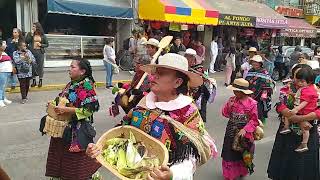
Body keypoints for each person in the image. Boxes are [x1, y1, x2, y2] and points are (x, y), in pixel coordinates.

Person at [87, 53, 217, 180]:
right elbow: (123, 133)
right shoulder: (144, 102)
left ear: (177, 82)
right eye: (154, 73)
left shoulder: (187, 111)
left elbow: (191, 156)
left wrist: (172, 175)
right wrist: (100, 150)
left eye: (160, 73)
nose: (152, 77)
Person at [44, 58, 100, 180]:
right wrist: (53, 103)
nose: (69, 69)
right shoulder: (71, 84)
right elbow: (62, 99)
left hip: (77, 132)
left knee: (77, 163)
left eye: (73, 67)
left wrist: (67, 110)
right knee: (61, 157)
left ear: (82, 71)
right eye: (70, 66)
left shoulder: (86, 86)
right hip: (63, 129)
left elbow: (89, 110)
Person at [267, 64, 320, 180]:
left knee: (304, 164)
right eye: (295, 76)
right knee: (286, 161)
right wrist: (290, 115)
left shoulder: (315, 90)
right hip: (288, 133)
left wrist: (301, 119)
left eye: (299, 78)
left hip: (308, 132)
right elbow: (279, 106)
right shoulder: (288, 88)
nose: (296, 80)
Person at [222, 78, 259, 180]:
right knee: (229, 153)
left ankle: (242, 171)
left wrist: (245, 129)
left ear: (242, 92)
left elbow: (254, 120)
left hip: (244, 133)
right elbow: (225, 113)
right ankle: (230, 174)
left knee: (243, 153)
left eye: (236, 91)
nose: (234, 92)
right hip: (231, 130)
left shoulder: (252, 103)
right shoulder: (232, 100)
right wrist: (229, 106)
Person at [279, 68, 317, 152]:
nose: (299, 83)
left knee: (304, 129)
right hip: (302, 111)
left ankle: (304, 144)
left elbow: (304, 102)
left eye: (302, 81)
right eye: (298, 80)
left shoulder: (308, 90)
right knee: (288, 115)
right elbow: (299, 97)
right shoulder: (304, 88)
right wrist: (292, 95)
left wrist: (296, 109)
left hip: (303, 112)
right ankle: (286, 127)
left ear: (309, 81)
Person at [246, 55, 273, 124]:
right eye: (253, 62)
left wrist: (264, 95)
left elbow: (267, 85)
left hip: (260, 96)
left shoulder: (264, 72)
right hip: (249, 95)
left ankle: (259, 124)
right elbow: (247, 82)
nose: (255, 63)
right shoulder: (250, 71)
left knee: (260, 111)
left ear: (260, 63)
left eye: (257, 62)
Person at [25, 22, 49, 88]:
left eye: (34, 26)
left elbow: (47, 44)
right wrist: (32, 35)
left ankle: (40, 80)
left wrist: (41, 45)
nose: (32, 27)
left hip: (40, 52)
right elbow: (26, 41)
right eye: (32, 26)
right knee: (33, 66)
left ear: (37, 27)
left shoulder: (42, 35)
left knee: (40, 67)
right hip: (32, 52)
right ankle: (34, 80)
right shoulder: (30, 34)